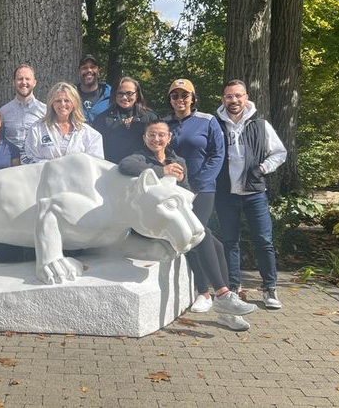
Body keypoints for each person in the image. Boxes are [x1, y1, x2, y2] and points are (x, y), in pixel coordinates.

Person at [119, 120, 257, 330]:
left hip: (175, 218)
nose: (156, 139)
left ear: (169, 138)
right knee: (203, 235)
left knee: (214, 243)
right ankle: (222, 296)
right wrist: (161, 171)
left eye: (161, 135)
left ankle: (225, 301)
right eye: (152, 135)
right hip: (153, 223)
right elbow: (125, 166)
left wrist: (182, 181)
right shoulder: (139, 157)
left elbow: (187, 193)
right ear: (144, 138)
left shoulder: (178, 161)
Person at [215, 79, 287, 309]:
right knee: (230, 242)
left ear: (246, 97)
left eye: (238, 96)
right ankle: (233, 288)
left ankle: (269, 288)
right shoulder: (215, 124)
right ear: (223, 99)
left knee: (263, 241)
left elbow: (279, 152)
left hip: (254, 193)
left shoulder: (260, 124)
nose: (233, 100)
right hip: (226, 194)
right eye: (229, 96)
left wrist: (263, 168)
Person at [164, 79, 226, 316]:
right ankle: (225, 287)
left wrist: (198, 185)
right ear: (170, 99)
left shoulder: (208, 121)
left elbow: (217, 155)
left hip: (202, 188)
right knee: (208, 238)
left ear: (193, 97)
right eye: (175, 96)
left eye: (184, 95)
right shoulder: (165, 122)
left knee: (195, 234)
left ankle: (205, 292)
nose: (180, 100)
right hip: (175, 190)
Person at [25, 82, 104, 161]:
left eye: (67, 100)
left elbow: (96, 164)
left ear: (74, 103)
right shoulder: (37, 129)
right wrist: (52, 166)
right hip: (46, 173)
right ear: (52, 103)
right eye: (58, 101)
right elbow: (28, 158)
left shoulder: (90, 134)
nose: (62, 104)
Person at [93, 76, 158, 163]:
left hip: (142, 169)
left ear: (137, 94)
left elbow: (159, 147)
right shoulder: (102, 119)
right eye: (120, 93)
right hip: (111, 171)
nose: (124, 97)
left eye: (129, 93)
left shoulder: (150, 118)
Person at [0, 64, 47, 163]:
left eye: (27, 79)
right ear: (14, 82)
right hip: (10, 165)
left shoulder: (45, 111)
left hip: (36, 166)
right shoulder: (3, 112)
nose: (24, 82)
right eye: (20, 79)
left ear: (34, 82)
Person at [76, 55, 111, 124]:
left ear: (99, 71)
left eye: (92, 67)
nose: (89, 70)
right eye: (84, 68)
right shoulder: (70, 95)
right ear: (79, 72)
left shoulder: (111, 94)